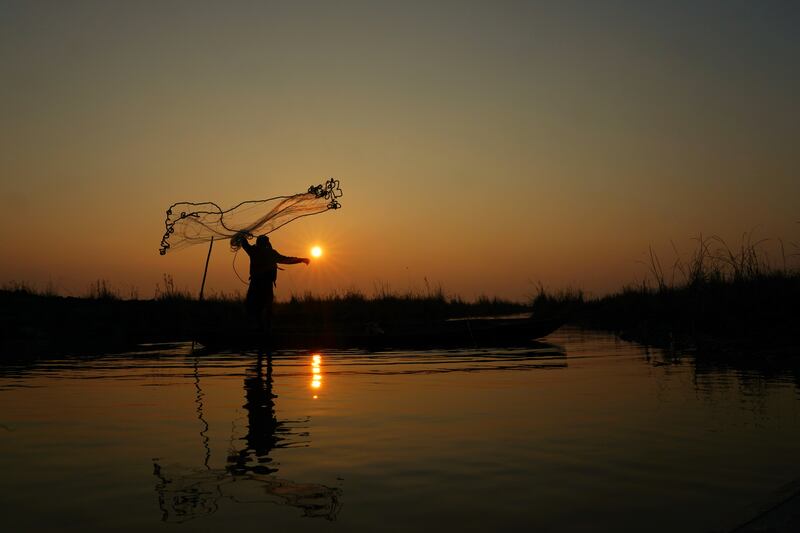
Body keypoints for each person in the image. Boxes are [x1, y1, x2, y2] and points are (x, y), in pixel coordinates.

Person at [234, 233, 309, 330]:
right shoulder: (271, 253)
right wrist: (301, 260)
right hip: (265, 284)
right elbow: (286, 260)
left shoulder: (254, 251)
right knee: (265, 307)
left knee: (254, 306)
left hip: (256, 284)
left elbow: (244, 243)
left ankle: (261, 328)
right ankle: (264, 329)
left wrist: (242, 235)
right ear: (267, 243)